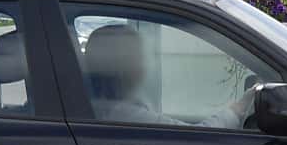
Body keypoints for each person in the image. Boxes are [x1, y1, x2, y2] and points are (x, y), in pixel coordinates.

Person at [80, 23, 260, 128]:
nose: (145, 65)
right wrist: (239, 108)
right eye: (138, 57)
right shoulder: (124, 114)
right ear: (122, 67)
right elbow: (195, 140)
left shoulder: (99, 107)